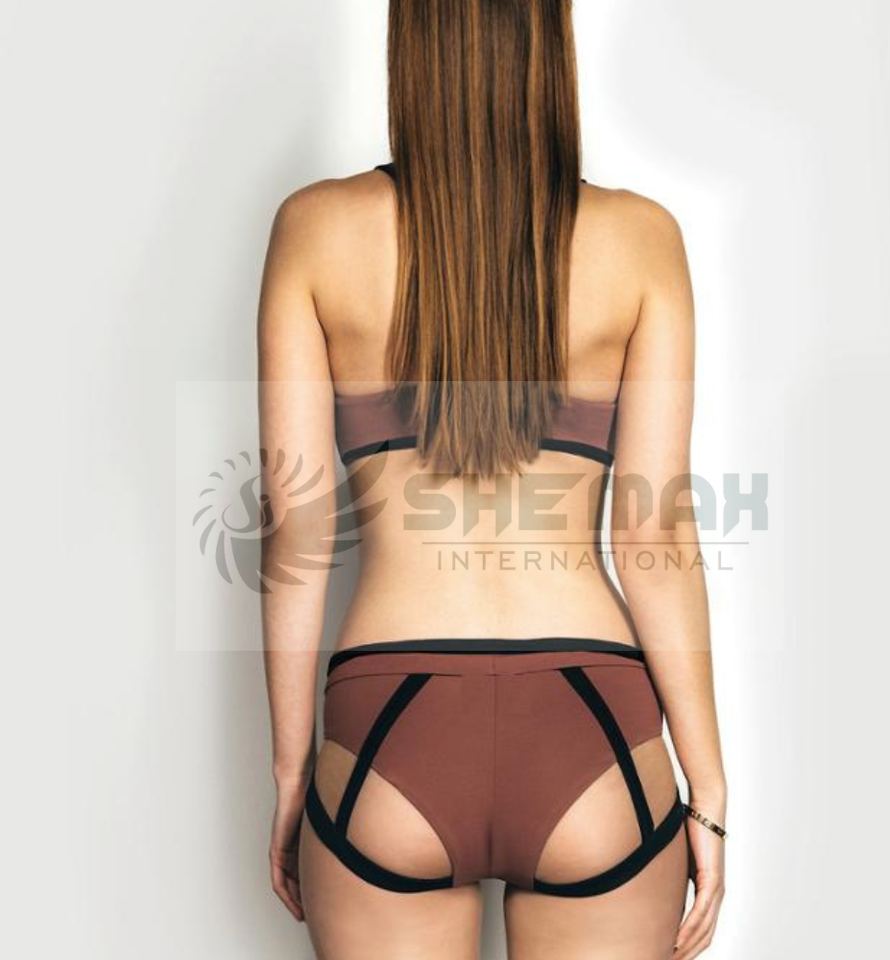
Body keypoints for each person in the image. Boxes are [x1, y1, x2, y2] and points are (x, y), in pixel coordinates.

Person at [257, 2, 726, 958]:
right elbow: (654, 536)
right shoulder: (641, 239)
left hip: (389, 728)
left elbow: (294, 529)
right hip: (591, 723)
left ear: (411, 47)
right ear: (550, 46)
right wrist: (707, 789)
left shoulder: (316, 229)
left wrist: (292, 771)